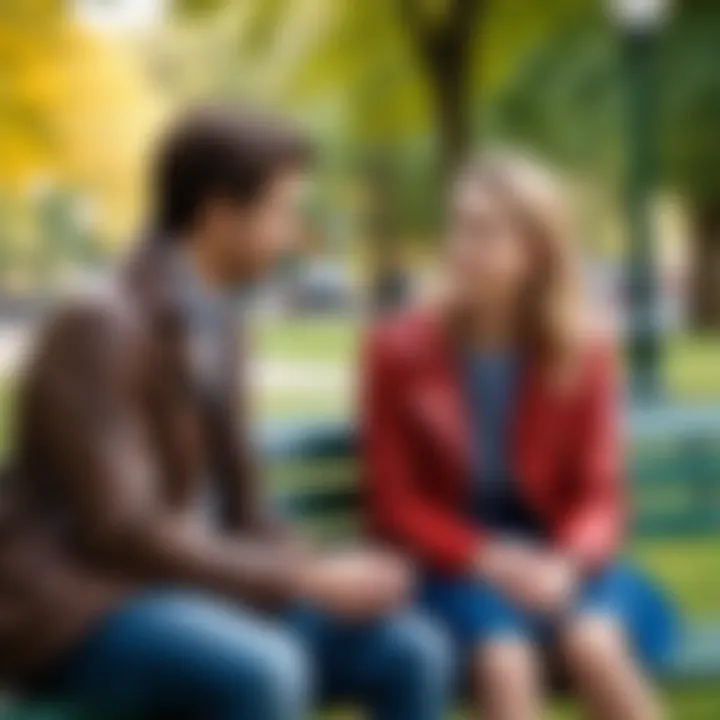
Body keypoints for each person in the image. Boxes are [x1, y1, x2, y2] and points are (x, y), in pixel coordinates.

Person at [0, 107, 452, 720]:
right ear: (218, 212)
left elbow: (242, 506)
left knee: (412, 651)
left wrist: (326, 567)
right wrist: (304, 578)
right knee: (266, 670)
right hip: (85, 603)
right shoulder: (98, 323)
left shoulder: (221, 320)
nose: (293, 234)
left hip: (197, 588)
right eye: (282, 210)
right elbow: (124, 530)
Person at [361, 151, 666, 720]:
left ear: (535, 252)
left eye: (484, 232)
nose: (461, 247)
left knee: (596, 646)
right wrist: (489, 558)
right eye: (457, 226)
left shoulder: (584, 350)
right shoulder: (397, 349)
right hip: (452, 561)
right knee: (505, 661)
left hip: (562, 556)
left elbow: (600, 493)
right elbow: (394, 501)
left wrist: (565, 565)